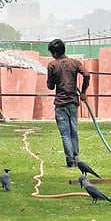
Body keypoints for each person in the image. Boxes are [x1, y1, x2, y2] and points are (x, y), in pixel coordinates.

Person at [47, 39, 90, 168]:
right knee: (74, 131)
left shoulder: (52, 65)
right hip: (73, 102)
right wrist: (83, 92)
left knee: (65, 134)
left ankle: (70, 160)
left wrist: (55, 79)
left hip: (60, 103)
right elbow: (86, 75)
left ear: (54, 53)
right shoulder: (75, 62)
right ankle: (77, 158)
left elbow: (50, 86)